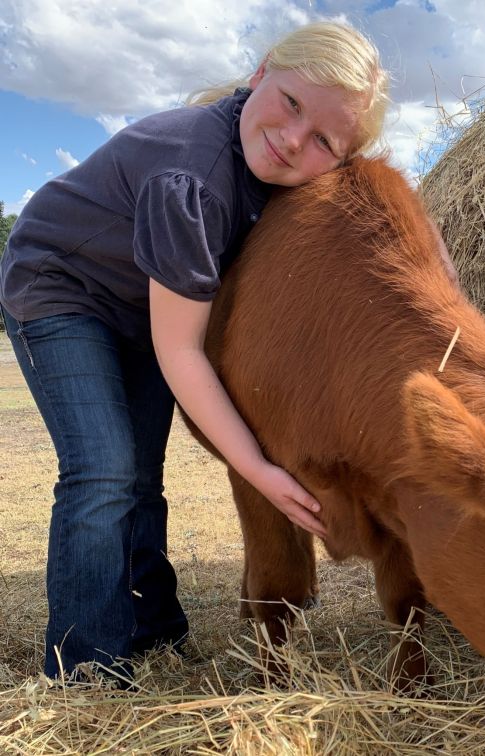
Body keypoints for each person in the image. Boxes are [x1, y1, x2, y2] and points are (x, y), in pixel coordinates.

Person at [0, 21, 390, 684]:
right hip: (60, 288)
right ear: (262, 72)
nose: (295, 138)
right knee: (103, 471)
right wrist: (261, 470)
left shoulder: (276, 172)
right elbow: (182, 352)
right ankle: (84, 671)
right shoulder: (194, 176)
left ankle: (154, 628)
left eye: (325, 139)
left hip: (143, 308)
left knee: (140, 476)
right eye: (292, 103)